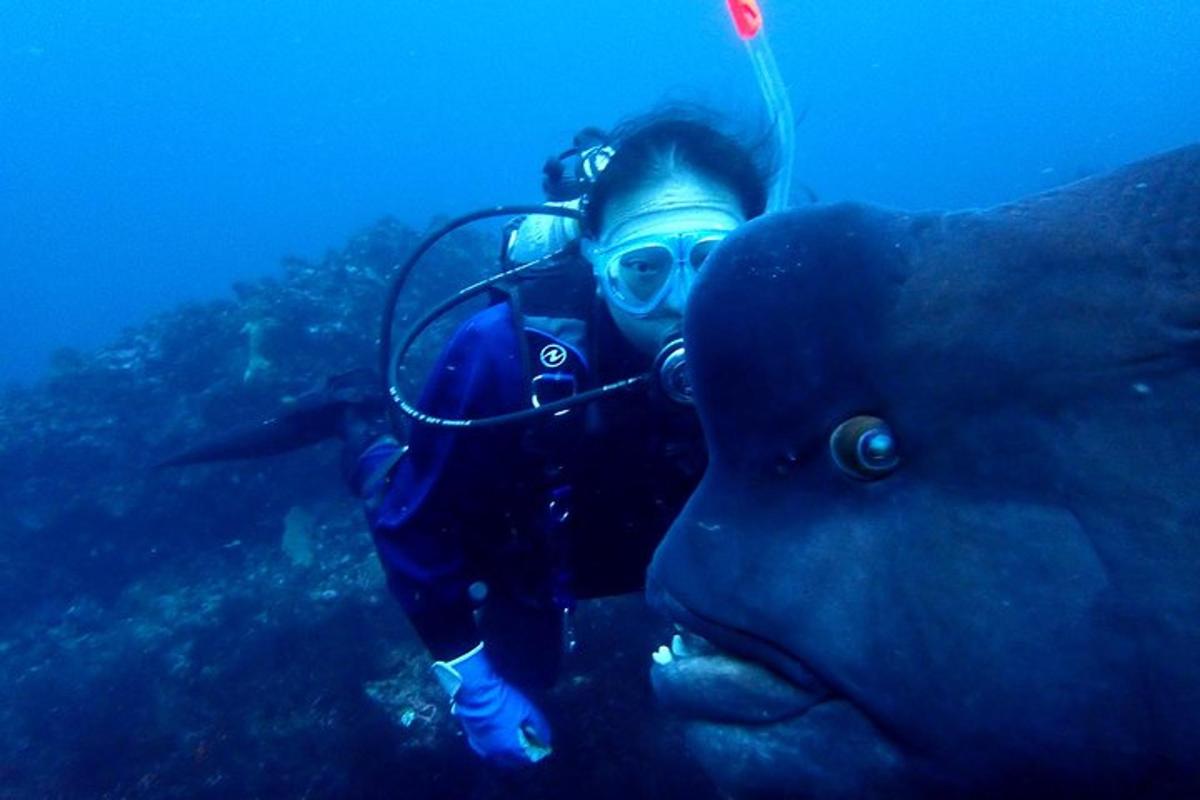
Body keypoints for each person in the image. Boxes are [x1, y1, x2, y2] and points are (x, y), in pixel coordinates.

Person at [345, 107, 774, 767]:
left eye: (717, 262)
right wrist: (468, 680)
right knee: (519, 673)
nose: (682, 305)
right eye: (644, 269)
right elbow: (416, 527)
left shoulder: (797, 344)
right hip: (537, 561)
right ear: (598, 259)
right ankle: (351, 419)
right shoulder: (504, 355)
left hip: (689, 551)